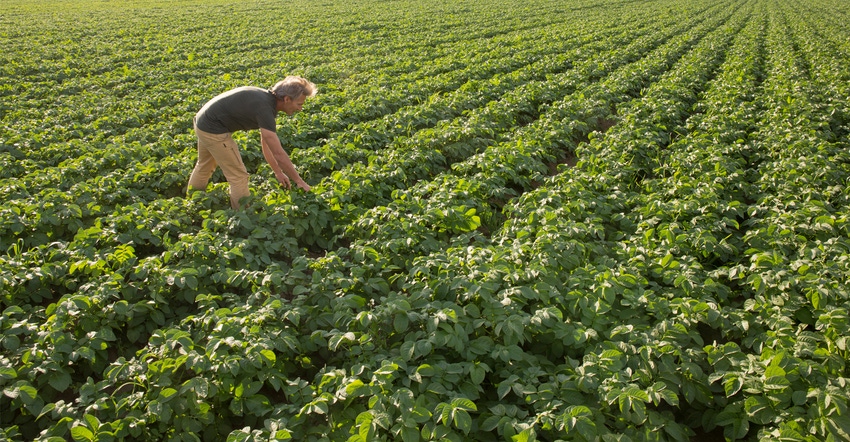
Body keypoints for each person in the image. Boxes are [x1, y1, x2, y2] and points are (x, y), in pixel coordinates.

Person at [187, 76, 317, 209]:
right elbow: (278, 153)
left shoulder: (266, 101)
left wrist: (278, 172)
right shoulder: (265, 109)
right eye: (299, 104)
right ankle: (242, 218)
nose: (300, 108)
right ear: (287, 99)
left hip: (202, 121)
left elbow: (266, 143)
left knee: (204, 165)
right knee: (238, 177)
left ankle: (191, 203)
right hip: (212, 129)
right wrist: (299, 181)